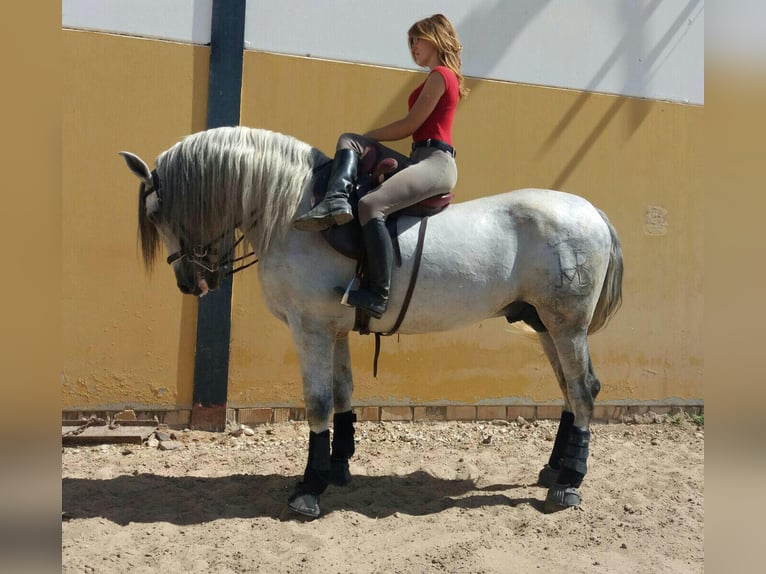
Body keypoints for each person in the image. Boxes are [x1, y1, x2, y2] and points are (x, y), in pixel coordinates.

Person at [294, 13, 469, 319]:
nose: (413, 46)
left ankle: (378, 294)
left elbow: (411, 124)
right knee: (352, 143)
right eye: (410, 42)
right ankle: (335, 199)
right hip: (421, 157)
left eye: (417, 39)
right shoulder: (436, 76)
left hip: (436, 162)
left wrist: (370, 137)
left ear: (434, 38)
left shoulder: (441, 74)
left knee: (371, 204)